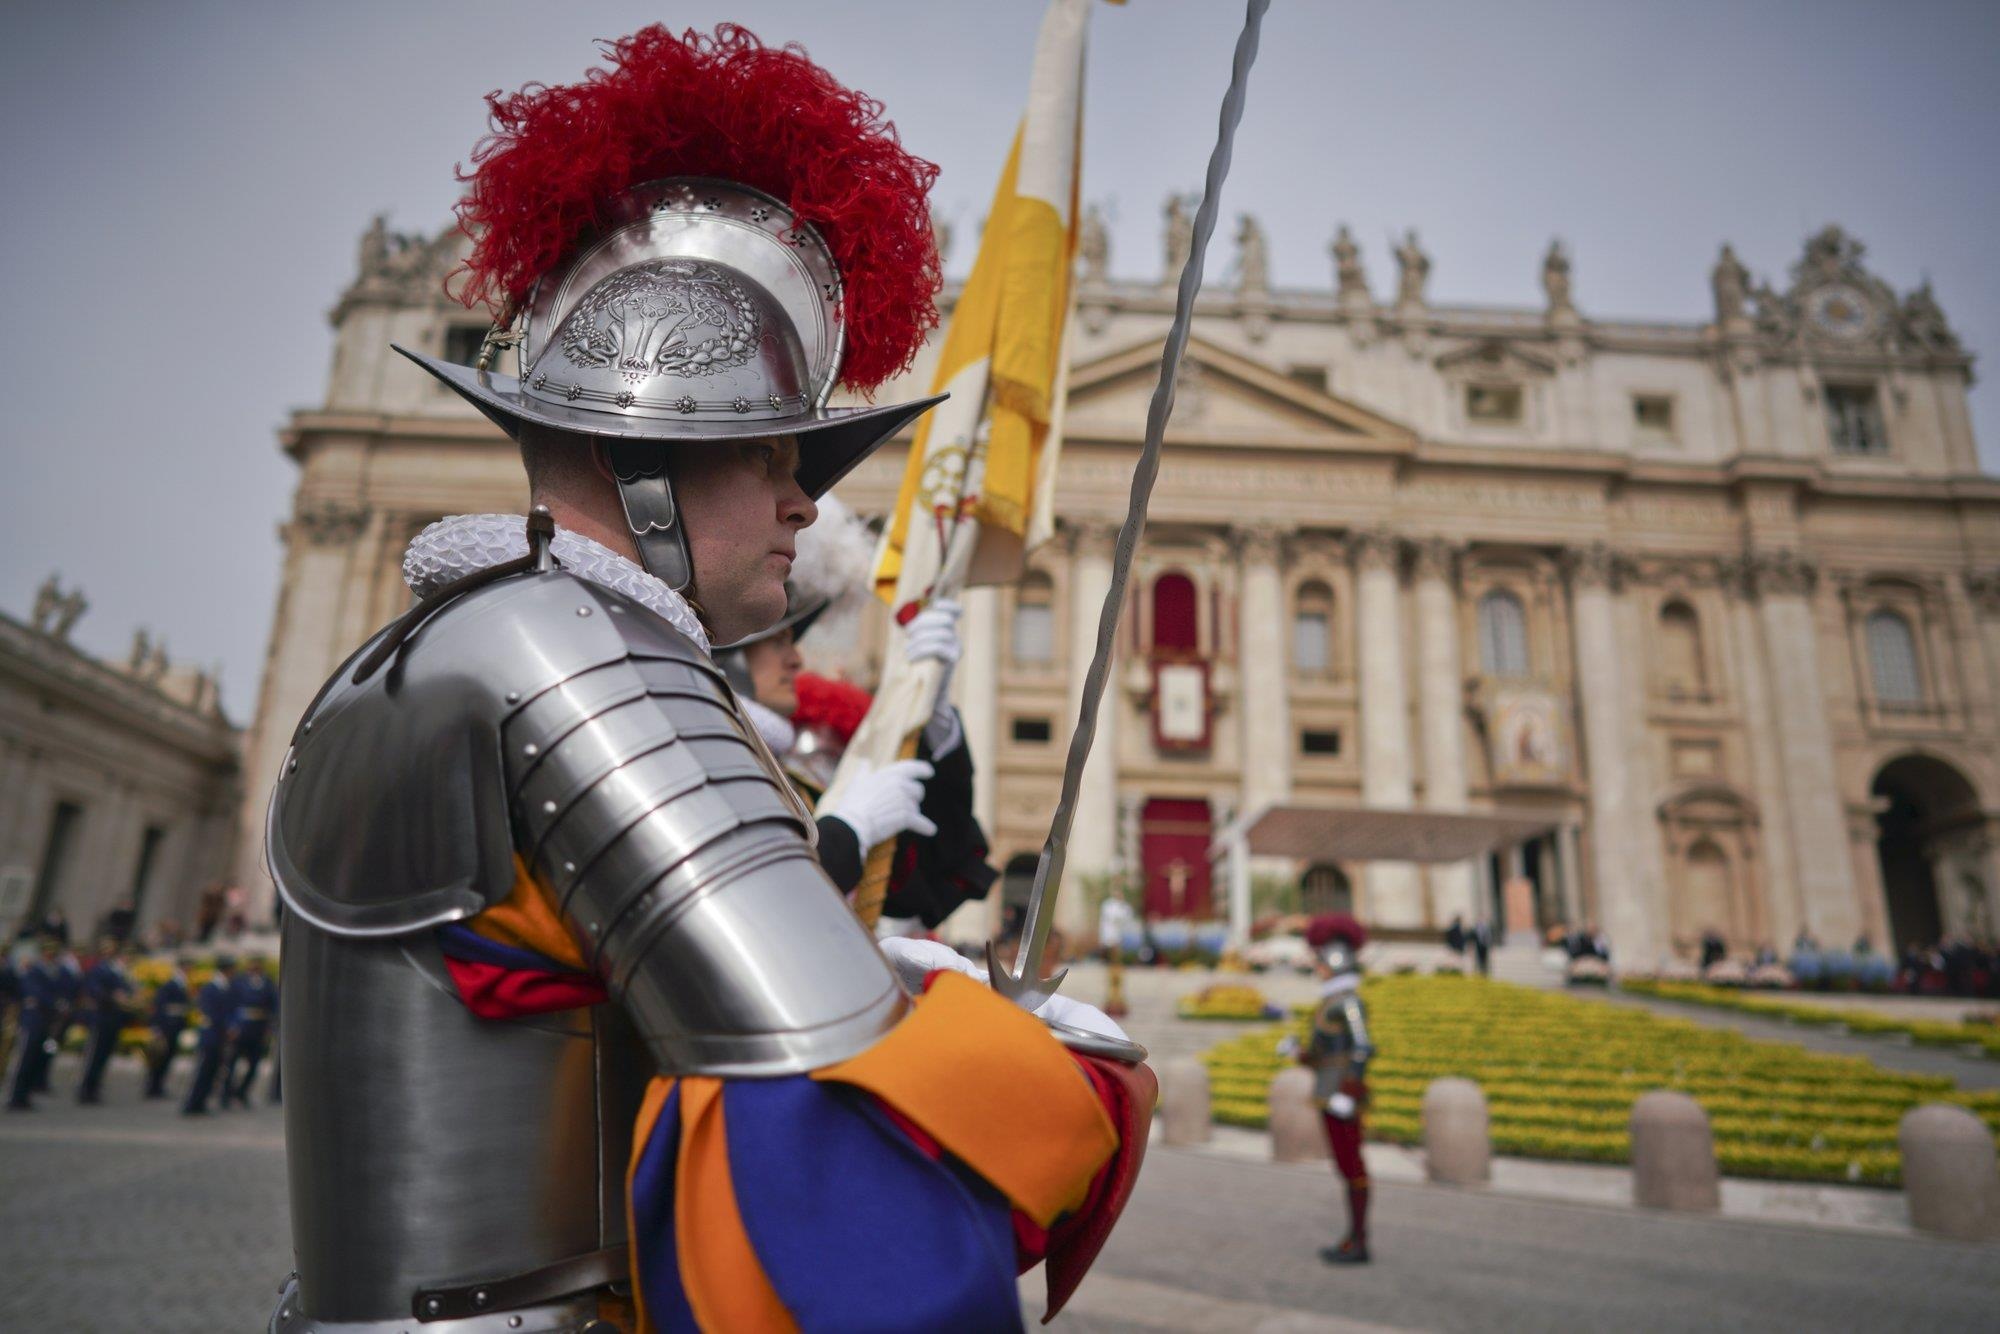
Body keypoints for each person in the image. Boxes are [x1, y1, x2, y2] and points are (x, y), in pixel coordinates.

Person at [262, 26, 1151, 1331]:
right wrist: (1074, 1076)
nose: (804, 506)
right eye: (775, 459)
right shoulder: (575, 659)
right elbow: (832, 1129)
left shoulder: (459, 641)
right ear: (651, 467)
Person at [713, 499, 996, 929]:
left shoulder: (799, 777)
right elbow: (753, 911)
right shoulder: (709, 756)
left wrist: (934, 718)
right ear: (728, 657)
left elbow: (944, 870)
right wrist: (847, 833)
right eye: (778, 644)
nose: (795, 660)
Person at [1288, 913, 1374, 1265]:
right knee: (1345, 1165)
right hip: (1329, 1093)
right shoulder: (1331, 1001)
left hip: (1341, 1096)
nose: (1318, 966)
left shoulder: (1348, 1002)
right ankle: (1353, 1236)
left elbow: (1362, 1047)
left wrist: (1348, 1090)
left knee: (1352, 1166)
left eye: (1321, 960)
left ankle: (1358, 1239)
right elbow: (1326, 1054)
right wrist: (1298, 1053)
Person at [75, 938, 138, 1104]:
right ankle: (85, 1089)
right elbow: (94, 990)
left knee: (103, 1055)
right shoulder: (100, 970)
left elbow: (127, 990)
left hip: (114, 1018)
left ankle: (94, 1088)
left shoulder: (119, 971)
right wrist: (113, 997)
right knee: (94, 1055)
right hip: (102, 1016)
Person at [5, 934, 63, 1111]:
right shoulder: (35, 971)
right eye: (48, 953)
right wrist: (55, 1004)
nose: (51, 956)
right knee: (24, 1059)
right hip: (33, 1020)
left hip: (44, 1019)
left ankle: (24, 1095)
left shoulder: (52, 971)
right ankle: (15, 1096)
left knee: (35, 1059)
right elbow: (35, 995)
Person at [180, 955, 237, 1116]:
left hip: (219, 1035)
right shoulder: (212, 987)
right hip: (211, 1035)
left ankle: (201, 1102)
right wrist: (228, 1028)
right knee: (204, 1071)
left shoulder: (224, 986)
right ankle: (193, 1103)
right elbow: (212, 1013)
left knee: (212, 1071)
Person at [221, 955, 277, 1108]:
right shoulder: (239, 983)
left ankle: (242, 1092)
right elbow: (229, 1005)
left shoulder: (267, 983)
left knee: (254, 1063)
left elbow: (273, 1005)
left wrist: (269, 1028)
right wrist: (231, 1025)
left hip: (258, 1028)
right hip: (241, 1028)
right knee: (232, 1063)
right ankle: (226, 1094)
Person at [144, 954, 191, 1099]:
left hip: (175, 1024)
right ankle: (152, 1085)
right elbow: (159, 1006)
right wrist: (157, 1027)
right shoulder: (170, 984)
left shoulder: (183, 983)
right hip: (167, 1025)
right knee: (160, 1057)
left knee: (168, 1056)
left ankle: (158, 1085)